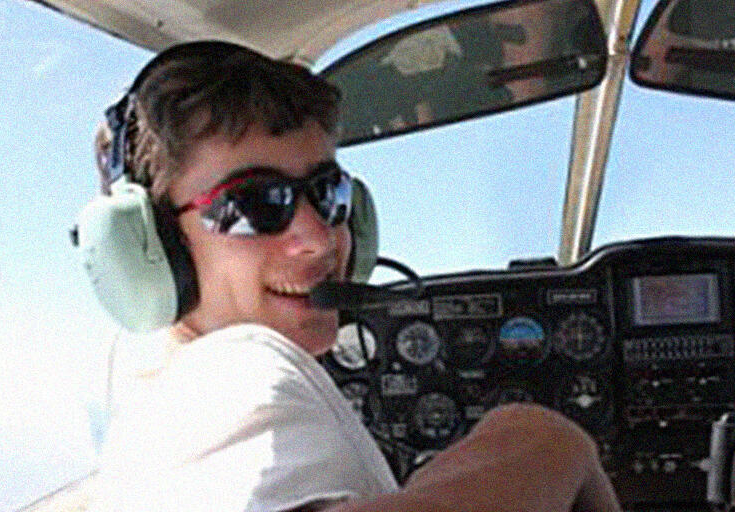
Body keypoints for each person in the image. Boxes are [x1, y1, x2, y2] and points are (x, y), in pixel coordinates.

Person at [86, 40, 621, 512]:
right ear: (150, 243)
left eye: (328, 192)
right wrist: (544, 440)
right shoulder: (236, 369)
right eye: (254, 203)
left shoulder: (148, 402)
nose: (319, 236)